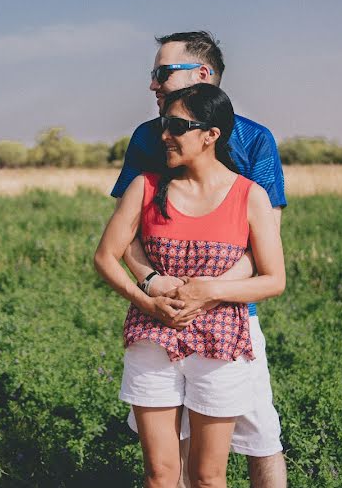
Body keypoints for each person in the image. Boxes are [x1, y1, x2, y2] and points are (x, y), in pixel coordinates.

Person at [112, 31, 288, 488]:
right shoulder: (147, 138)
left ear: (202, 75)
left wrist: (206, 294)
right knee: (174, 457)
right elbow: (128, 233)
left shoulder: (256, 140)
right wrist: (151, 282)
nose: (152, 84)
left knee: (260, 436)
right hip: (164, 315)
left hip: (234, 315)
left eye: (161, 73)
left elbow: (265, 242)